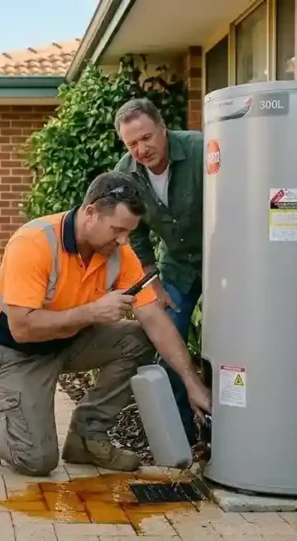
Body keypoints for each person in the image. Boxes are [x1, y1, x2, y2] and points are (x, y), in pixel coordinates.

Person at [0, 172, 212, 477]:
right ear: (91, 212)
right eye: (118, 230)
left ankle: (88, 437)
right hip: (14, 352)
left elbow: (155, 320)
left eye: (129, 232)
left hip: (67, 342)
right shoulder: (34, 243)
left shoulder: (118, 254)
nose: (124, 240)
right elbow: (22, 328)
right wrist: (92, 313)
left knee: (139, 337)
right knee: (35, 460)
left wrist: (192, 383)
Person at [111, 97, 207, 446]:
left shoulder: (201, 150)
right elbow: (131, 231)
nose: (141, 149)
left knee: (233, 345)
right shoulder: (126, 173)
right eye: (132, 143)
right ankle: (184, 438)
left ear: (164, 128)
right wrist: (151, 277)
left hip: (223, 261)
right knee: (167, 342)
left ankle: (232, 431)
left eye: (147, 137)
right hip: (176, 267)